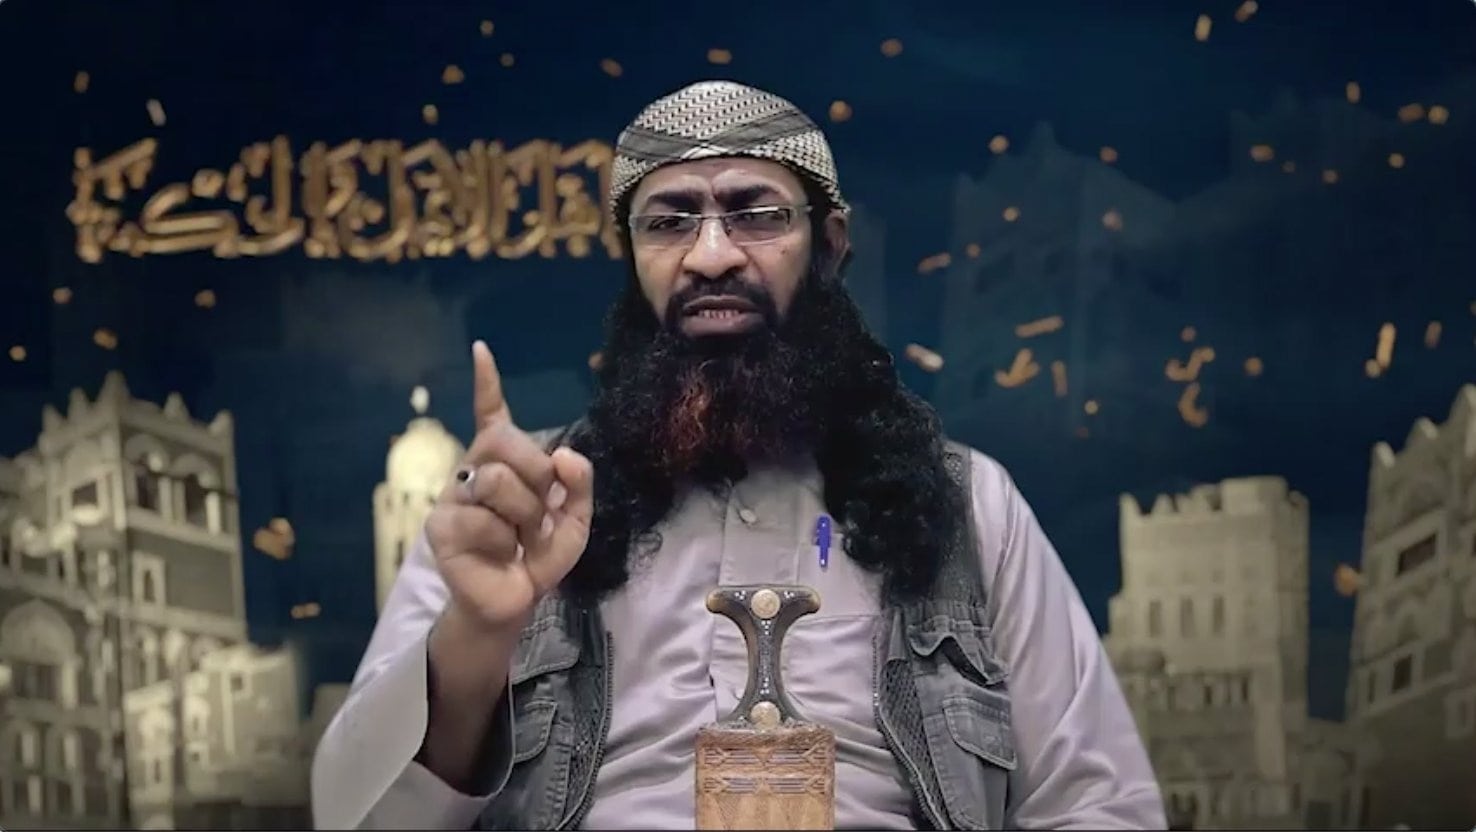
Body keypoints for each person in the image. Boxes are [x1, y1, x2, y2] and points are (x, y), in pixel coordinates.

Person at [311, 80, 1165, 831]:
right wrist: (481, 632)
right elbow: (357, 817)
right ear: (632, 257)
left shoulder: (968, 506)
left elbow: (1101, 807)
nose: (711, 255)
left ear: (829, 244)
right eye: (668, 222)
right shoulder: (524, 504)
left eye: (757, 214)